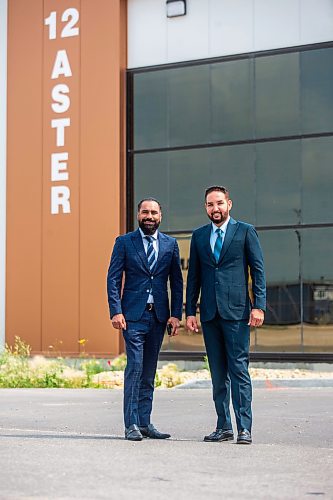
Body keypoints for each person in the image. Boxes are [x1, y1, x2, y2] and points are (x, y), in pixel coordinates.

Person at [186, 186, 266, 445]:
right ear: (205, 208)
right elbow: (194, 277)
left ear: (229, 204)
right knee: (218, 374)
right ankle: (224, 427)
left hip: (236, 312)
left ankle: (244, 428)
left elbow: (258, 270)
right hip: (209, 314)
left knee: (239, 370)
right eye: (210, 204)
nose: (215, 209)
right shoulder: (198, 236)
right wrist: (190, 312)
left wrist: (259, 306)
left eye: (219, 203)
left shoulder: (245, 231)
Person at [107, 198, 183, 441]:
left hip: (158, 316)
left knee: (149, 371)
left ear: (160, 216)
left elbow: (176, 282)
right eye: (144, 212)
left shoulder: (170, 244)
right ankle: (131, 424)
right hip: (132, 317)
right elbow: (113, 279)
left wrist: (175, 315)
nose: (149, 216)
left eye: (153, 212)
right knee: (136, 367)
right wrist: (115, 311)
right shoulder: (124, 242)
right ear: (138, 215)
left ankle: (145, 422)